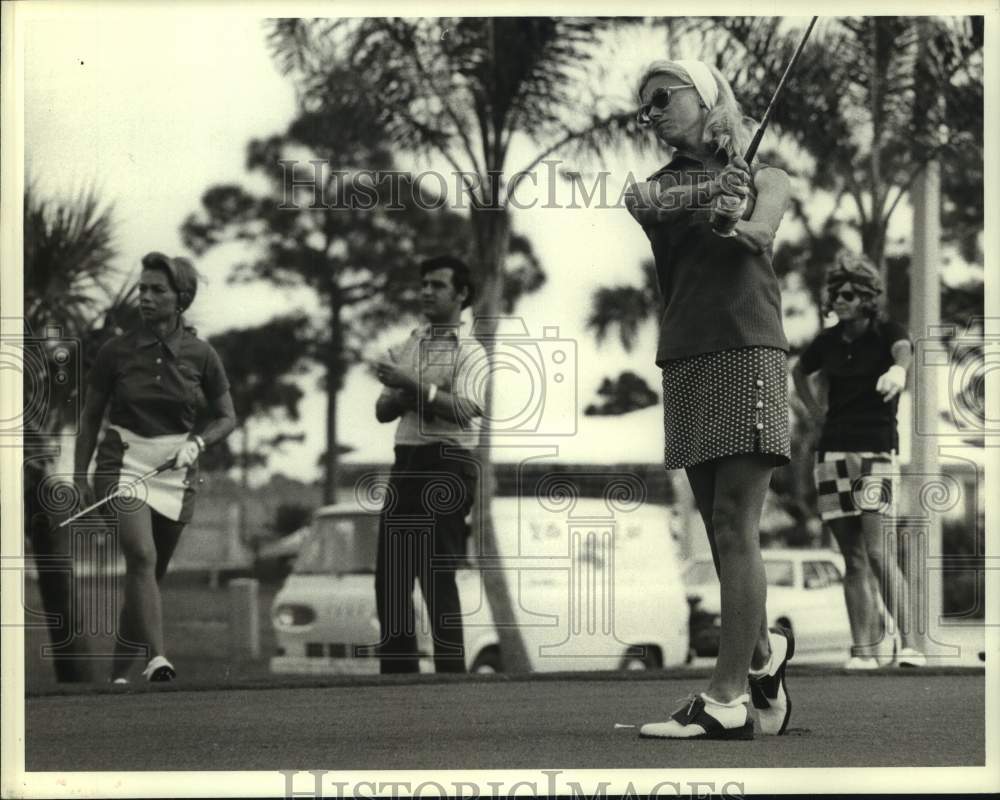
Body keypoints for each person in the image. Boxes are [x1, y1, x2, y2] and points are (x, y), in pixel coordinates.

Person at [624, 59, 794, 739]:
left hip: (748, 346)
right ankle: (763, 656)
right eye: (645, 107)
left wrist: (732, 217)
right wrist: (710, 193)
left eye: (662, 98)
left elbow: (762, 232)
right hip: (686, 356)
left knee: (732, 523)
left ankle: (726, 700)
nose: (652, 113)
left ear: (706, 98)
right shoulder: (658, 184)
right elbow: (646, 205)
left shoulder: (767, 176)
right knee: (719, 533)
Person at [74, 252, 236, 683]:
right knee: (141, 556)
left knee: (148, 574)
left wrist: (198, 442)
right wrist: (79, 475)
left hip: (175, 471)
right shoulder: (115, 351)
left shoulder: (201, 354)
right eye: (142, 289)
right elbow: (90, 418)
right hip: (122, 462)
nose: (144, 297)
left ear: (180, 298)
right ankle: (158, 659)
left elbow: (227, 417)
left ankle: (118, 678)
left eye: (156, 290)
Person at [792, 251, 925, 669]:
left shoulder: (886, 331)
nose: (840, 300)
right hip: (831, 451)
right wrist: (815, 413)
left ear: (867, 297)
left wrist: (899, 371)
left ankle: (911, 645)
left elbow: (904, 350)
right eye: (836, 293)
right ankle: (864, 652)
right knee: (852, 557)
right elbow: (799, 373)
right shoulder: (828, 341)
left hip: (874, 451)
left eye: (849, 294)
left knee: (878, 551)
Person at [371, 255, 485, 674]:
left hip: (448, 463)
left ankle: (450, 681)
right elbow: (382, 410)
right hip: (406, 460)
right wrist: (415, 392)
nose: (426, 292)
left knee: (435, 574)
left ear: (461, 294)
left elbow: (466, 409)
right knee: (392, 578)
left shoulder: (471, 352)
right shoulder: (408, 344)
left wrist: (411, 387)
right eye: (424, 284)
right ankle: (398, 682)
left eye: (437, 285)